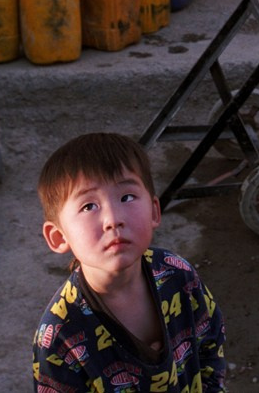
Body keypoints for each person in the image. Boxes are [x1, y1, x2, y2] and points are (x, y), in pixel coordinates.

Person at [33, 132, 227, 392]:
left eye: (126, 197)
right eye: (89, 206)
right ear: (58, 237)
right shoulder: (60, 335)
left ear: (154, 211)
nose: (113, 219)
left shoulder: (178, 275)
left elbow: (210, 348)